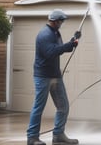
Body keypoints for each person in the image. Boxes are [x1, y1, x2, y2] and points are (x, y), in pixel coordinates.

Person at [27, 9, 81, 145]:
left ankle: (58, 135)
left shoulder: (55, 33)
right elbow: (51, 52)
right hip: (43, 77)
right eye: (61, 21)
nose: (62, 23)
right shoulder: (45, 34)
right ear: (56, 21)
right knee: (38, 107)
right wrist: (68, 45)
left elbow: (61, 49)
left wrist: (73, 40)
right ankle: (32, 138)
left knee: (63, 106)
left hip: (55, 76)